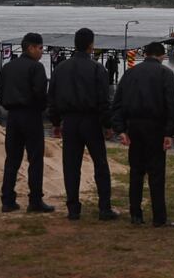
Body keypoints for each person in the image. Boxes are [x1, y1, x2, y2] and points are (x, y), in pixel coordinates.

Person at [48, 28, 118, 221]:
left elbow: (52, 97)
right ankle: (104, 208)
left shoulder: (61, 68)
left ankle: (73, 209)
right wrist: (108, 124)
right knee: (100, 165)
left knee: (71, 166)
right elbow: (104, 100)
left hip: (69, 121)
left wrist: (55, 122)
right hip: (92, 121)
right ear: (91, 45)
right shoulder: (97, 69)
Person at [112, 42, 174, 228]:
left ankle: (136, 214)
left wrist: (121, 130)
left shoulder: (130, 73)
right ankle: (159, 217)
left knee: (136, 172)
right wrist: (170, 132)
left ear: (146, 53)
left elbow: (117, 103)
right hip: (156, 127)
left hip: (134, 126)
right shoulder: (166, 74)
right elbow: (172, 105)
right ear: (162, 55)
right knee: (156, 173)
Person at [0, 33, 55, 213]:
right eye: (39, 48)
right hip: (31, 116)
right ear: (30, 47)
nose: (41, 51)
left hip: (12, 117)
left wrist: (8, 105)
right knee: (35, 159)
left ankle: (7, 200)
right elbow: (40, 93)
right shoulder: (36, 68)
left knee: (12, 159)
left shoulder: (8, 67)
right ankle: (35, 200)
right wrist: (42, 107)